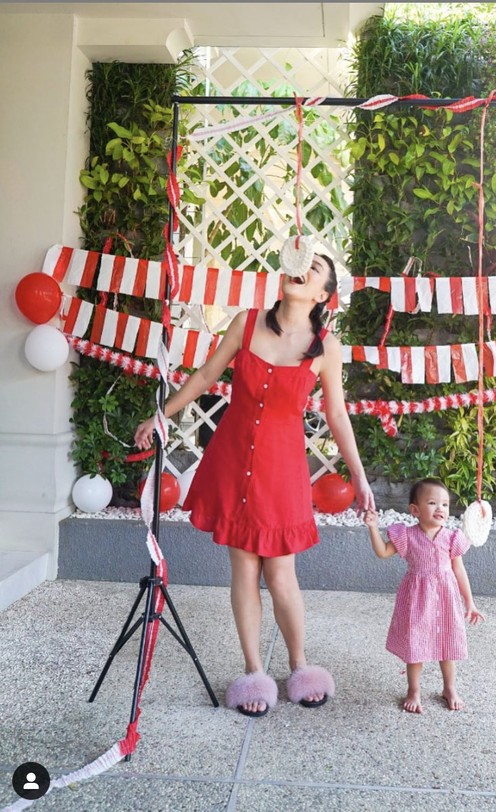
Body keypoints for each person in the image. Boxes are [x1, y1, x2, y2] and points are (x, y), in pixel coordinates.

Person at [135, 251, 375, 718]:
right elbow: (206, 375)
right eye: (300, 262)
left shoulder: (327, 345)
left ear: (324, 295)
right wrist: (160, 415)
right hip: (232, 460)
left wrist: (360, 477)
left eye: (316, 269)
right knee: (243, 569)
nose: (302, 268)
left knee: (281, 574)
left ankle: (299, 667)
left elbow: (338, 414)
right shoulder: (246, 323)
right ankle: (252, 674)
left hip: (282, 470)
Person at [364, 478, 484, 714]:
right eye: (432, 502)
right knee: (416, 646)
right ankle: (414, 690)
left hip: (446, 598)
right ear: (415, 510)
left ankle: (449, 688)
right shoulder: (407, 535)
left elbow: (458, 569)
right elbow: (382, 552)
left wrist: (469, 603)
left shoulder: (451, 537)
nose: (440, 508)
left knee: (447, 645)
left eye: (445, 504)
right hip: (417, 599)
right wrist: (372, 527)